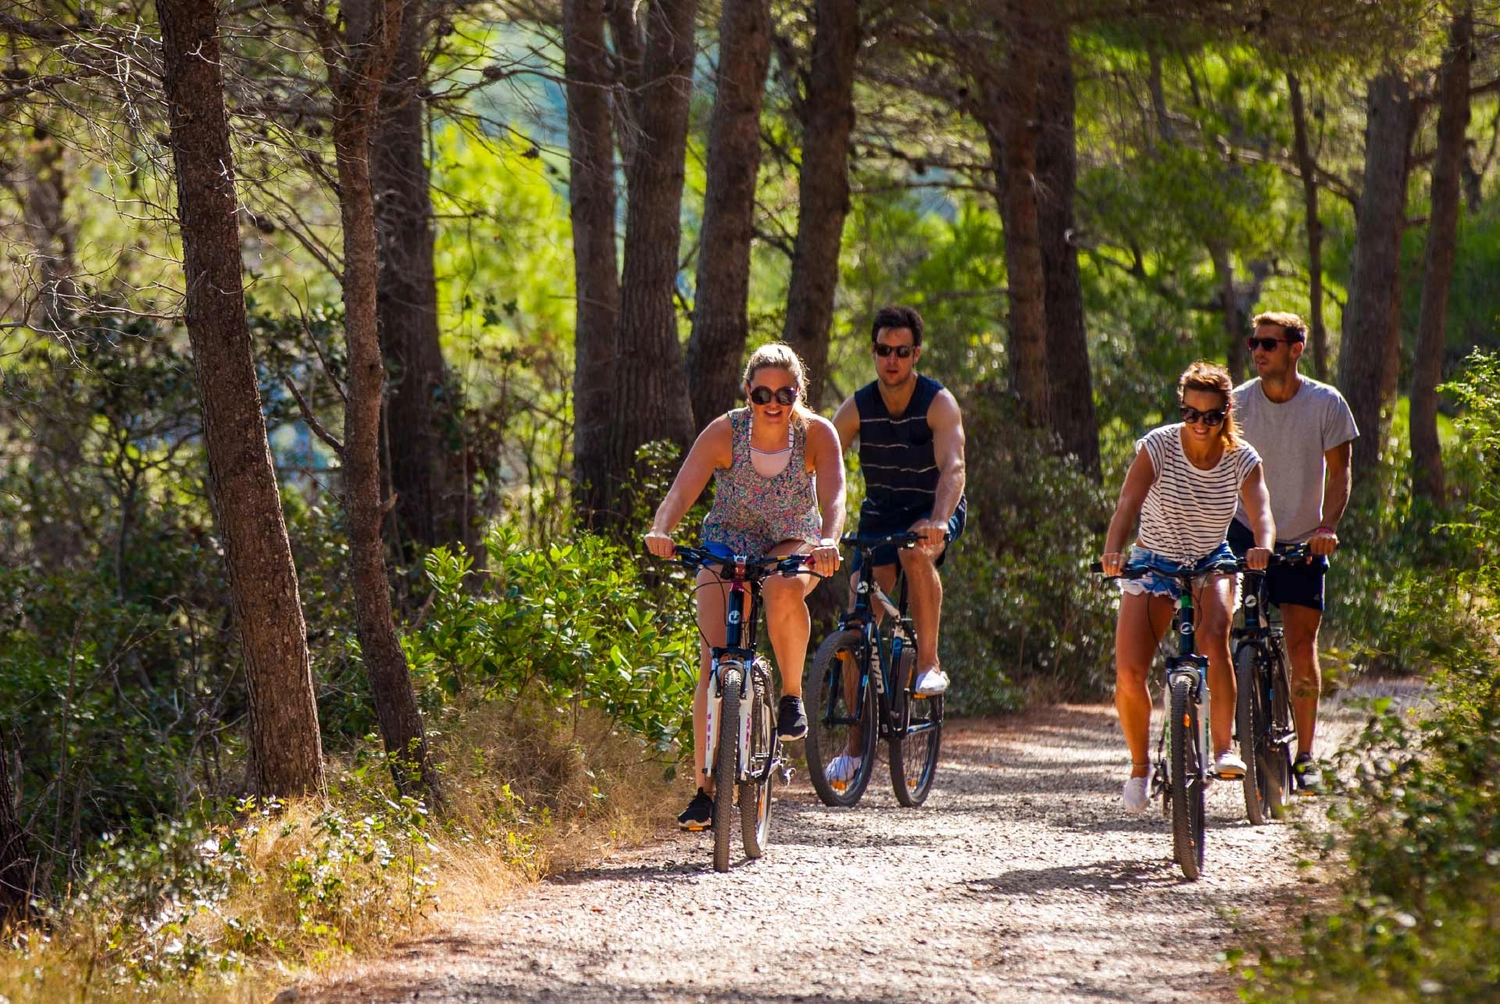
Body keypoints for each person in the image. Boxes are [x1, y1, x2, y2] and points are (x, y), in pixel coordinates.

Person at [645, 343, 846, 830]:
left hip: (792, 539)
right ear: (747, 392)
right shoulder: (725, 432)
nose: (773, 402)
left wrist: (828, 540)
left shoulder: (816, 434)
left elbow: (836, 494)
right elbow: (682, 491)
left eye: (784, 392)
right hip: (727, 541)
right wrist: (661, 529)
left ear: (799, 393)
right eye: (762, 393)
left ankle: (792, 695)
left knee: (782, 590)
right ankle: (704, 790)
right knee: (713, 660)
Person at [1100, 361, 1274, 813]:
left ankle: (1222, 750)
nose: (1200, 424)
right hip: (1153, 562)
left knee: (1214, 638)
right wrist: (1113, 551)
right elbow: (1127, 505)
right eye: (1191, 414)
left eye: (1211, 415)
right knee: (1129, 671)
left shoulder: (1242, 458)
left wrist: (1263, 546)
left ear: (1226, 413)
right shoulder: (1157, 446)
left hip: (1210, 561)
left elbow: (1261, 513)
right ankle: (1140, 767)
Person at [827, 305, 967, 784]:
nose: (892, 360)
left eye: (902, 352)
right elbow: (825, 458)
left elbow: (954, 469)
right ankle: (852, 748)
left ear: (915, 354)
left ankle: (928, 663)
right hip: (882, 511)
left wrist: (940, 520)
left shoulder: (937, 403)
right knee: (858, 613)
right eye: (884, 350)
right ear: (874, 352)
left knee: (914, 553)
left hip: (931, 509)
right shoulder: (859, 405)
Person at [1227, 311, 1357, 794]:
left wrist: (1327, 526)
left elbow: (1340, 472)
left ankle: (1304, 757)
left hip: (1305, 535)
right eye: (1253, 344)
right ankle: (1228, 727)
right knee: (1222, 625)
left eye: (1269, 344)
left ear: (1295, 348)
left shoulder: (1326, 403)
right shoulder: (1236, 404)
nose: (1258, 352)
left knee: (1301, 647)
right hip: (1245, 531)